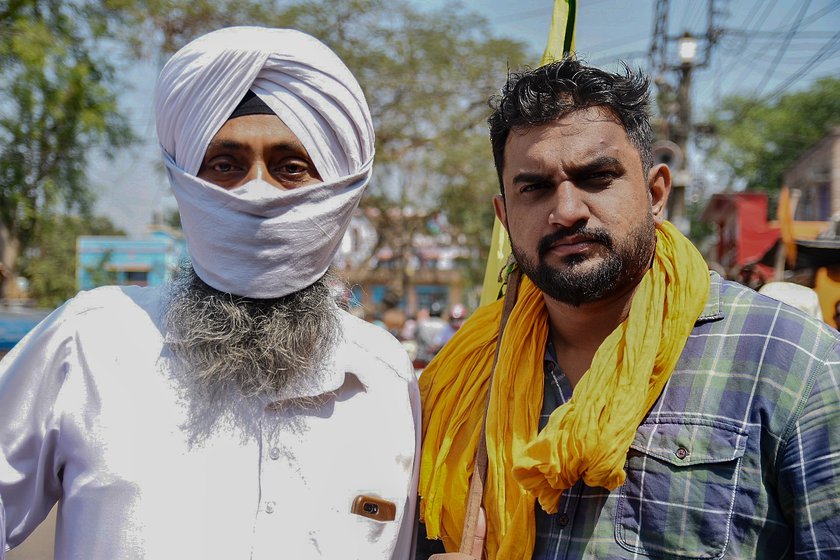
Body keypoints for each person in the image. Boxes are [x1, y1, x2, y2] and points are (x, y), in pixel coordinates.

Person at [0, 27, 419, 559]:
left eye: (290, 168)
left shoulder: (384, 377)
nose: (256, 192)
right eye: (225, 166)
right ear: (184, 178)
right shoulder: (90, 342)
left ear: (340, 189)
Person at [417, 57, 840, 559]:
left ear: (656, 192)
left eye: (597, 176)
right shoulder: (463, 377)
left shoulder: (794, 363)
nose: (567, 210)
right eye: (535, 187)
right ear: (504, 216)